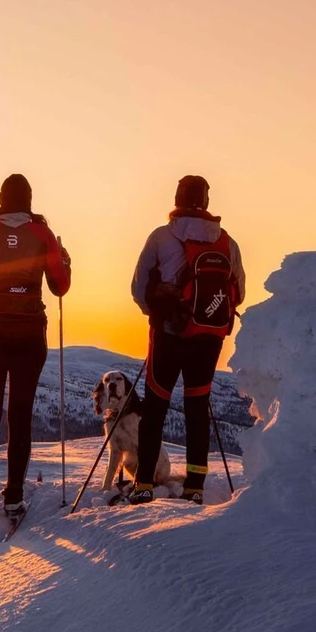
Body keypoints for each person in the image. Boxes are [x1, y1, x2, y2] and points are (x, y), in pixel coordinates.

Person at [0, 174, 71, 525]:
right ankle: (15, 496)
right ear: (29, 200)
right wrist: (63, 261)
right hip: (28, 335)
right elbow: (60, 287)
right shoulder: (43, 235)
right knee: (20, 414)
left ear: (2, 199)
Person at [125, 175, 245, 504]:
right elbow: (239, 292)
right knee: (196, 409)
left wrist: (160, 311)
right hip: (208, 339)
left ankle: (145, 482)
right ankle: (195, 486)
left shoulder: (161, 237)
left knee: (156, 407)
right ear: (206, 201)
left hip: (168, 334)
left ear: (177, 198)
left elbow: (138, 290)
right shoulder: (226, 242)